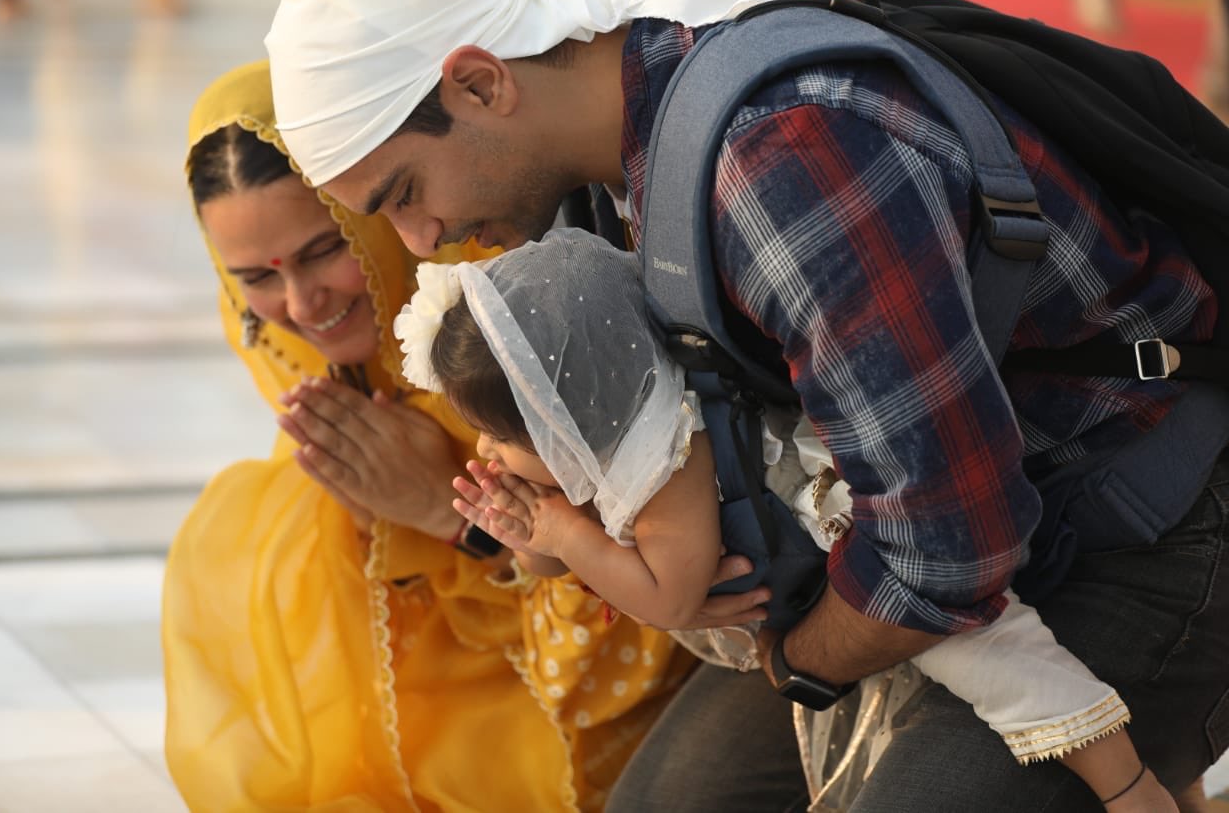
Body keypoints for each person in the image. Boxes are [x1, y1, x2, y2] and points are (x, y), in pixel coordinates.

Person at [262, 0, 1229, 810]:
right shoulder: (607, 155)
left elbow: (948, 551)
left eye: (404, 193)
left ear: (478, 83)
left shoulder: (779, 164)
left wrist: (794, 660)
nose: (423, 241)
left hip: (1145, 515)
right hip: (955, 524)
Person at [396, 226, 1170, 810]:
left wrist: (565, 532)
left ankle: (1131, 781)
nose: (485, 450)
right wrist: (531, 538)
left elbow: (666, 595)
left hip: (850, 537)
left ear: (567, 417)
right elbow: (564, 562)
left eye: (500, 435)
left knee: (989, 653)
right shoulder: (595, 446)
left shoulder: (664, 459)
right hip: (796, 605)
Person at [162, 59, 694, 813]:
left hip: (565, 692)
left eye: (324, 250)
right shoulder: (292, 360)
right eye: (254, 276)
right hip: (421, 675)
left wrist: (450, 518)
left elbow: (631, 644)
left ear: (373, 205)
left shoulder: (505, 333)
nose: (300, 303)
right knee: (247, 542)